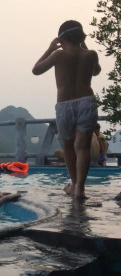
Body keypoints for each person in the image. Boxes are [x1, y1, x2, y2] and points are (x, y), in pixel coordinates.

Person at [32, 20, 101, 199]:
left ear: (61, 39)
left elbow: (36, 70)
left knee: (69, 147)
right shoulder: (91, 55)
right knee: (83, 148)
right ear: (82, 37)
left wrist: (50, 48)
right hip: (87, 102)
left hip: (65, 104)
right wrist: (83, 45)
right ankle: (80, 188)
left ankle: (74, 183)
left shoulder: (58, 55)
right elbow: (96, 71)